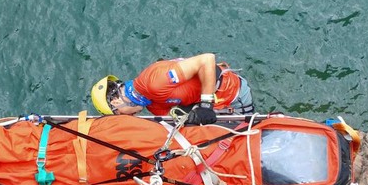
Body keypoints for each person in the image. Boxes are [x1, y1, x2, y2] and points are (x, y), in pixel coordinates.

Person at [90, 53, 254, 125]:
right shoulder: (152, 104)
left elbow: (207, 59)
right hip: (217, 105)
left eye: (118, 115)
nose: (130, 117)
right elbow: (176, 121)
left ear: (117, 101)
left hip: (233, 93)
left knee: (251, 124)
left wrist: (206, 105)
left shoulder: (154, 82)